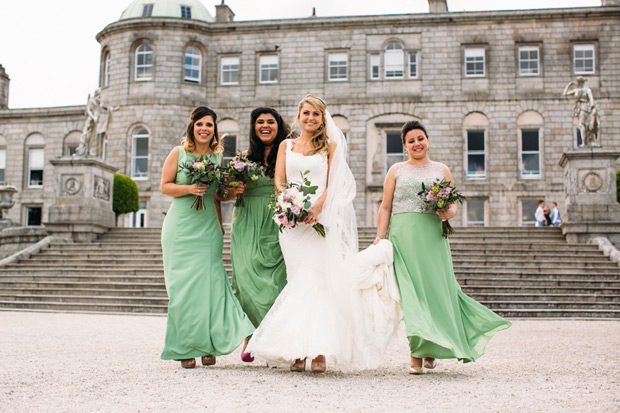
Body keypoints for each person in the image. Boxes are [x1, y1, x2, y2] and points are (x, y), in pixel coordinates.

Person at [246, 95, 401, 373]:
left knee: (317, 282)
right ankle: (295, 349)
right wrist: (288, 202)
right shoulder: (285, 145)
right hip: (291, 226)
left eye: (316, 114)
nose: (311, 119)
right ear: (298, 115)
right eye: (306, 113)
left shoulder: (330, 147)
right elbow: (279, 179)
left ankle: (318, 350)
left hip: (320, 221)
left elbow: (336, 183)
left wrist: (317, 207)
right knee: (297, 282)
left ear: (322, 118)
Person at [374, 120, 511, 374]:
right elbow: (385, 206)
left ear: (428, 140)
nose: (417, 143)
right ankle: (417, 352)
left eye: (420, 138)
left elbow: (453, 204)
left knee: (435, 292)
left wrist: (448, 211)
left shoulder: (441, 169)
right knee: (412, 295)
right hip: (403, 237)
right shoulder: (396, 170)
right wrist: (381, 236)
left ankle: (432, 347)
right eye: (411, 140)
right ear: (405, 146)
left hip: (433, 237)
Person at [159, 106, 254, 369]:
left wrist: (235, 191)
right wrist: (190, 188)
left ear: (214, 130)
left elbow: (217, 194)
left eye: (209, 125)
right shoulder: (178, 153)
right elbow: (165, 186)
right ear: (192, 126)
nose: (204, 129)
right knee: (184, 289)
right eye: (200, 124)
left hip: (208, 228)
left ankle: (209, 345)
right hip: (180, 228)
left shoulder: (217, 156)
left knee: (210, 287)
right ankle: (186, 347)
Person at [227, 108, 290, 362]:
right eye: (259, 122)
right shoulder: (243, 157)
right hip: (245, 221)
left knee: (274, 280)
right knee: (245, 279)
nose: (265, 126)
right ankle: (250, 337)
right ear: (253, 127)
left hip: (275, 218)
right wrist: (234, 188)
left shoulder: (287, 154)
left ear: (278, 125)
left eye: (270, 122)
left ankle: (275, 338)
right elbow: (225, 194)